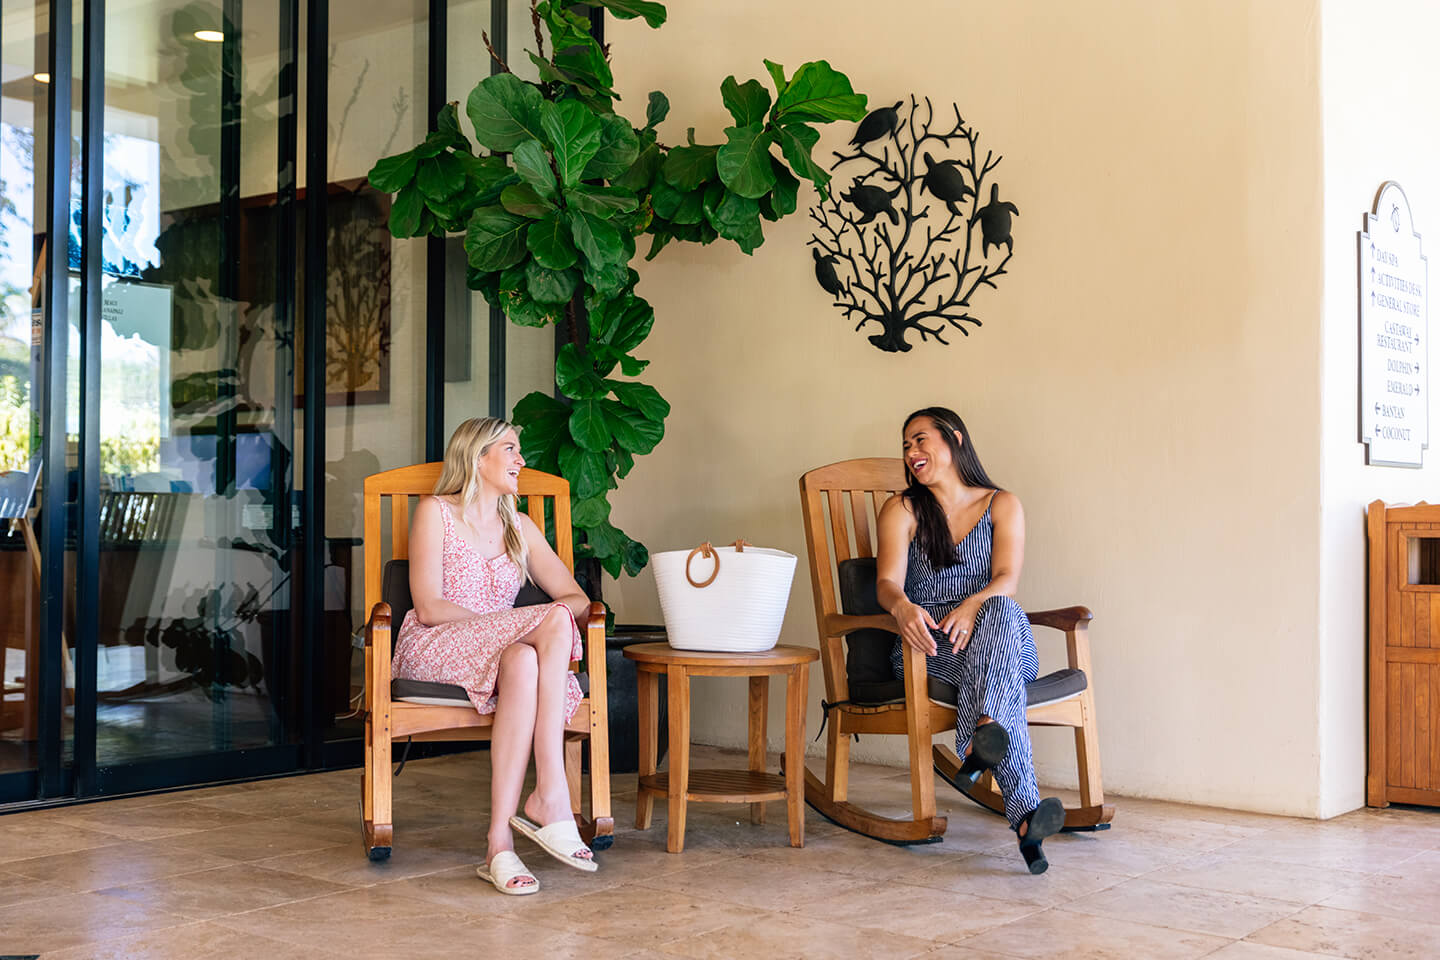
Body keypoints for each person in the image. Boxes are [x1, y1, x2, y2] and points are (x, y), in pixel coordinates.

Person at [392, 417, 597, 895]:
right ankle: (551, 793)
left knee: (527, 657)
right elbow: (427, 604)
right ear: (477, 457)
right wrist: (514, 625)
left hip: (503, 652)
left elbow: (577, 599)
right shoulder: (435, 512)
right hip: (437, 643)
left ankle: (498, 844)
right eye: (510, 450)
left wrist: (519, 631)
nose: (521, 460)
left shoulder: (519, 527)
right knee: (547, 622)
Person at [875, 406, 1065, 874]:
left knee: (1000, 607)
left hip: (1000, 638)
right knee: (997, 691)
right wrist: (902, 608)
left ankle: (983, 737)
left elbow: (1006, 579)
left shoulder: (1002, 503)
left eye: (921, 440)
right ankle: (1022, 808)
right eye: (905, 446)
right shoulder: (902, 509)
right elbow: (887, 584)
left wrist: (973, 604)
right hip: (931, 646)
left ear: (955, 438)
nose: (911, 452)